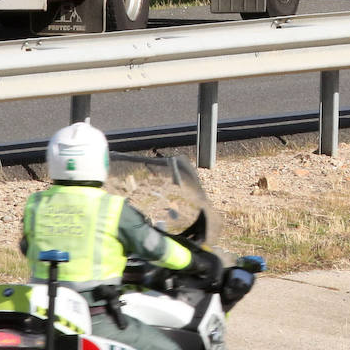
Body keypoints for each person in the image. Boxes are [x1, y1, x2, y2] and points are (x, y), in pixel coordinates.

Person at [21, 122, 223, 350]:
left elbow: (27, 246)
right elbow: (156, 247)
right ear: (101, 160)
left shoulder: (35, 205)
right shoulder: (111, 208)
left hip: (41, 311)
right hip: (94, 314)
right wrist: (196, 262)